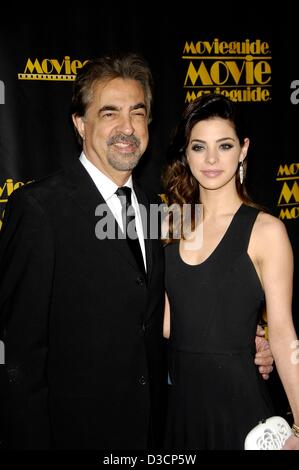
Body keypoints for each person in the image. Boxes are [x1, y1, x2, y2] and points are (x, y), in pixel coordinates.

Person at [0, 53, 273, 450]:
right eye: (109, 113)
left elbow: (167, 315)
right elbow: (20, 358)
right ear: (80, 123)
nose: (127, 127)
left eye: (137, 112)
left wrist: (247, 341)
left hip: (155, 431)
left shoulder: (154, 210)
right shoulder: (39, 208)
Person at [162, 93, 299, 450]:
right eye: (198, 147)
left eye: (224, 146)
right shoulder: (170, 226)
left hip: (242, 414)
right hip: (180, 413)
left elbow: (284, 333)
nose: (210, 159)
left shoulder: (267, 231)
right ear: (185, 154)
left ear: (243, 149)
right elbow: (165, 323)